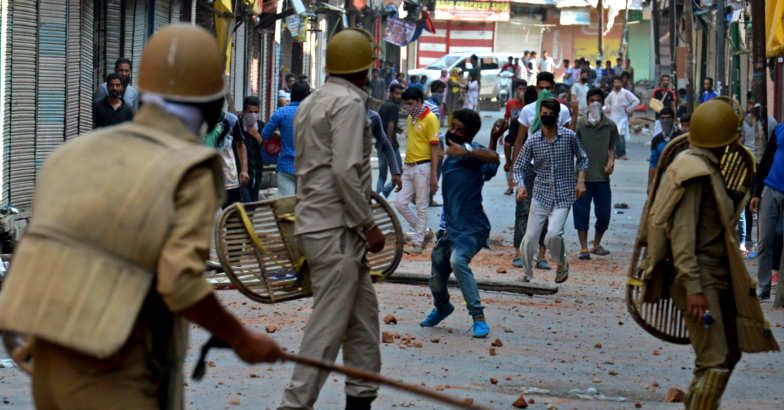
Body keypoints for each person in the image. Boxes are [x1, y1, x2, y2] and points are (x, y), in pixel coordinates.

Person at [0, 24, 281, 409]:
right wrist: (241, 338)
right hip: (117, 371)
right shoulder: (191, 169)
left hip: (47, 364)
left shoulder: (72, 154)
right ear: (212, 107)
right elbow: (181, 282)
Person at [644, 99, 779, 408]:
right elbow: (682, 239)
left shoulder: (707, 167)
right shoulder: (694, 173)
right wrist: (694, 288)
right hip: (698, 278)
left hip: (716, 275)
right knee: (715, 360)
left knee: (727, 353)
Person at [278, 28, 385, 410]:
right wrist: (367, 223)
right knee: (326, 327)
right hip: (336, 228)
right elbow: (344, 170)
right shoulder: (350, 104)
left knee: (363, 324)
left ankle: (361, 397)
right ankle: (294, 405)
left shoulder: (313, 100)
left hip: (320, 223)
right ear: (364, 69)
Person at [420, 109, 499, 338]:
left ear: (469, 135)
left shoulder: (471, 153)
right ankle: (442, 307)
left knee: (458, 261)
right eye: (452, 126)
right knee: (437, 277)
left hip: (472, 229)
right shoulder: (451, 155)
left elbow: (493, 159)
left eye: (459, 130)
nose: (453, 132)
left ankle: (478, 317)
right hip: (450, 230)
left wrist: (469, 150)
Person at [514, 98, 588, 283]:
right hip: (541, 193)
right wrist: (521, 186)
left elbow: (583, 158)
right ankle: (527, 273)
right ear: (540, 115)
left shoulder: (569, 137)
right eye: (544, 114)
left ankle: (561, 263)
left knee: (553, 235)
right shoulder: (533, 141)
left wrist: (581, 181)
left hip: (564, 193)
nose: (547, 117)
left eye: (550, 114)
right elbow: (519, 166)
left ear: (557, 116)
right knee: (530, 238)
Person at [394, 87, 440, 254]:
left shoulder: (431, 119)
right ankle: (424, 232)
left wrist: (434, 175)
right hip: (409, 165)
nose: (408, 107)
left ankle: (418, 243)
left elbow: (435, 148)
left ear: (420, 102)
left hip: (423, 167)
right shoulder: (410, 118)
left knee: (421, 205)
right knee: (400, 203)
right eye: (406, 104)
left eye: (411, 103)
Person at [574, 88, 618, 260]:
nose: (595, 103)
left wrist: (611, 161)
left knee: (604, 214)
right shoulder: (580, 125)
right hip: (582, 178)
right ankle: (584, 247)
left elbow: (612, 147)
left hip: (602, 177)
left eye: (598, 100)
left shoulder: (610, 125)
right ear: (587, 102)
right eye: (592, 100)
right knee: (581, 213)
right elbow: (573, 147)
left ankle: (597, 243)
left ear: (603, 103)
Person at [511, 85, 549, 269]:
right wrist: (514, 171)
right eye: (541, 87)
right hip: (529, 168)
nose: (544, 91)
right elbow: (519, 141)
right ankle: (518, 253)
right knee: (523, 210)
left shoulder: (562, 111)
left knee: (546, 213)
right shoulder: (527, 111)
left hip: (549, 171)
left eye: (548, 88)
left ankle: (541, 255)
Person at [750, 122, 784, 300]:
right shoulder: (779, 130)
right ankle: (763, 287)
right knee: (765, 239)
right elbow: (766, 161)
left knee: (781, 236)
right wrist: (756, 193)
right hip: (770, 189)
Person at [262, 81, 310, 197]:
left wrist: (278, 134)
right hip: (307, 167)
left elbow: (265, 134)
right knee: (305, 203)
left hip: (285, 166)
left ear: (292, 95)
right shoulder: (313, 113)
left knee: (286, 203)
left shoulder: (281, 113)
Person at [206, 109, 250, 207]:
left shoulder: (231, 120)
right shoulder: (197, 120)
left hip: (229, 179)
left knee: (231, 213)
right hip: (206, 180)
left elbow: (240, 145)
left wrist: (244, 170)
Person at [378, 84, 405, 197]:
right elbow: (390, 125)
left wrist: (397, 130)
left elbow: (381, 124)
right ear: (391, 93)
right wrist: (389, 144)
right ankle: (384, 193)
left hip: (380, 144)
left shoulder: (383, 106)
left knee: (382, 175)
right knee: (399, 171)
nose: (399, 96)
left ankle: (378, 198)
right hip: (390, 145)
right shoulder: (393, 107)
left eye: (400, 94)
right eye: (397, 93)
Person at [604, 76, 640, 160]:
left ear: (621, 83)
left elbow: (636, 101)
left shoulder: (625, 92)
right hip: (613, 117)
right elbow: (606, 102)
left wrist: (629, 109)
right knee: (613, 135)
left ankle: (622, 153)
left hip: (622, 117)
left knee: (621, 134)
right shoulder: (612, 94)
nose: (617, 84)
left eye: (618, 82)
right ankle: (615, 153)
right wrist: (608, 108)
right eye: (615, 82)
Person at [369, 109, 402, 196]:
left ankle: (380, 196)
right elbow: (391, 125)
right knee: (384, 174)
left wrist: (395, 171)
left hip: (380, 146)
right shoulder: (391, 109)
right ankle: (381, 195)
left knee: (382, 174)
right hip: (387, 145)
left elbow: (385, 142)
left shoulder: (373, 115)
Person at [503, 79, 527, 195]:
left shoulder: (528, 103)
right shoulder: (510, 103)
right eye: (519, 89)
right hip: (514, 127)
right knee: (507, 144)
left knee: (516, 159)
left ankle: (513, 185)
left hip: (524, 129)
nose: (521, 91)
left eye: (523, 89)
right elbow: (506, 118)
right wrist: (501, 134)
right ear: (516, 90)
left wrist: (524, 100)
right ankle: (508, 163)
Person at [240, 96, 266, 201]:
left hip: (257, 170)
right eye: (250, 112)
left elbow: (267, 148)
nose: (253, 115)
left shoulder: (261, 126)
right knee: (246, 202)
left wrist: (256, 135)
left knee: (254, 202)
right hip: (242, 172)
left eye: (256, 112)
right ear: (244, 112)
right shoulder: (238, 125)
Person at [648, 107, 680, 186]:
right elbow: (653, 163)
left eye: (668, 118)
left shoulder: (680, 137)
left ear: (673, 119)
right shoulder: (656, 140)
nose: (665, 121)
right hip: (663, 176)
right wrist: (650, 184)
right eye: (662, 118)